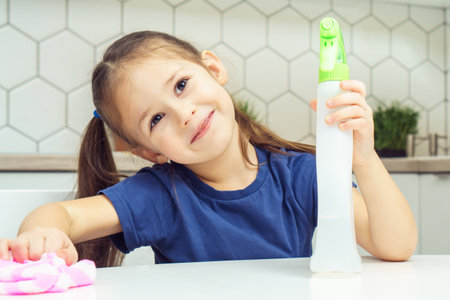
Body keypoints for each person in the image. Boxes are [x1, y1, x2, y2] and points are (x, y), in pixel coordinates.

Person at [0, 31, 417, 267]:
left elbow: (395, 246)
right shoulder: (163, 195)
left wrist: (362, 156)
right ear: (149, 152)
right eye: (156, 120)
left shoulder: (300, 175)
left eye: (182, 85)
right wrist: (41, 235)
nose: (183, 113)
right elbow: (61, 216)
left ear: (214, 69)